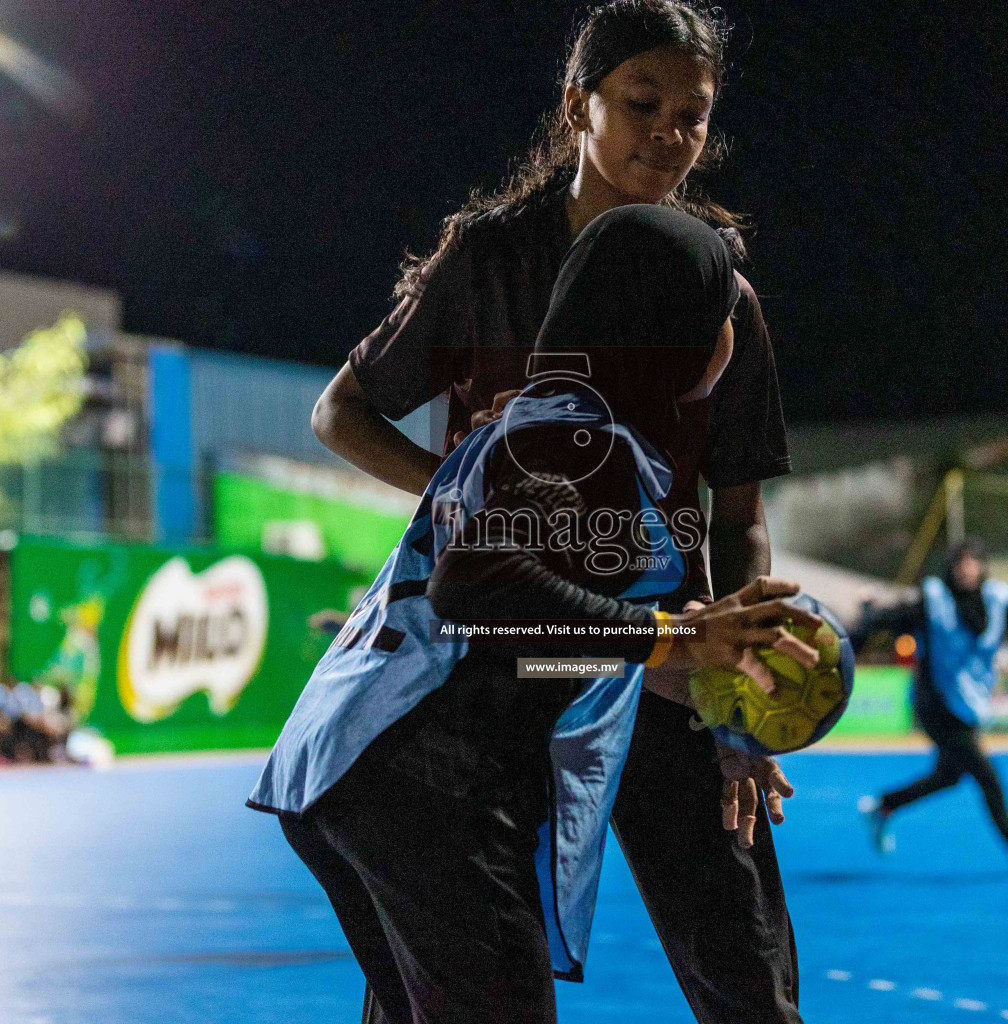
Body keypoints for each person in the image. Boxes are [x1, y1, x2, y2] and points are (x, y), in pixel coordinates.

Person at [310, 4, 804, 1020]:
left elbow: (737, 507)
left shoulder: (720, 292)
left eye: (693, 114)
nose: (669, 131)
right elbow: (343, 413)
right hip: (519, 659)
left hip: (655, 655)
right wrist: (460, 501)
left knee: (742, 966)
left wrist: (733, 690)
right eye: (642, 102)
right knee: (436, 960)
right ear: (580, 105)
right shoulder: (489, 261)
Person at [853, 537, 1008, 877]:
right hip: (935, 702)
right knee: (988, 777)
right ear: (950, 568)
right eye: (960, 563)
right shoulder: (933, 599)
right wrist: (861, 627)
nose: (967, 569)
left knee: (949, 776)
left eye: (973, 563)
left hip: (967, 705)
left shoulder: (994, 599)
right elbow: (894, 617)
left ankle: (884, 806)